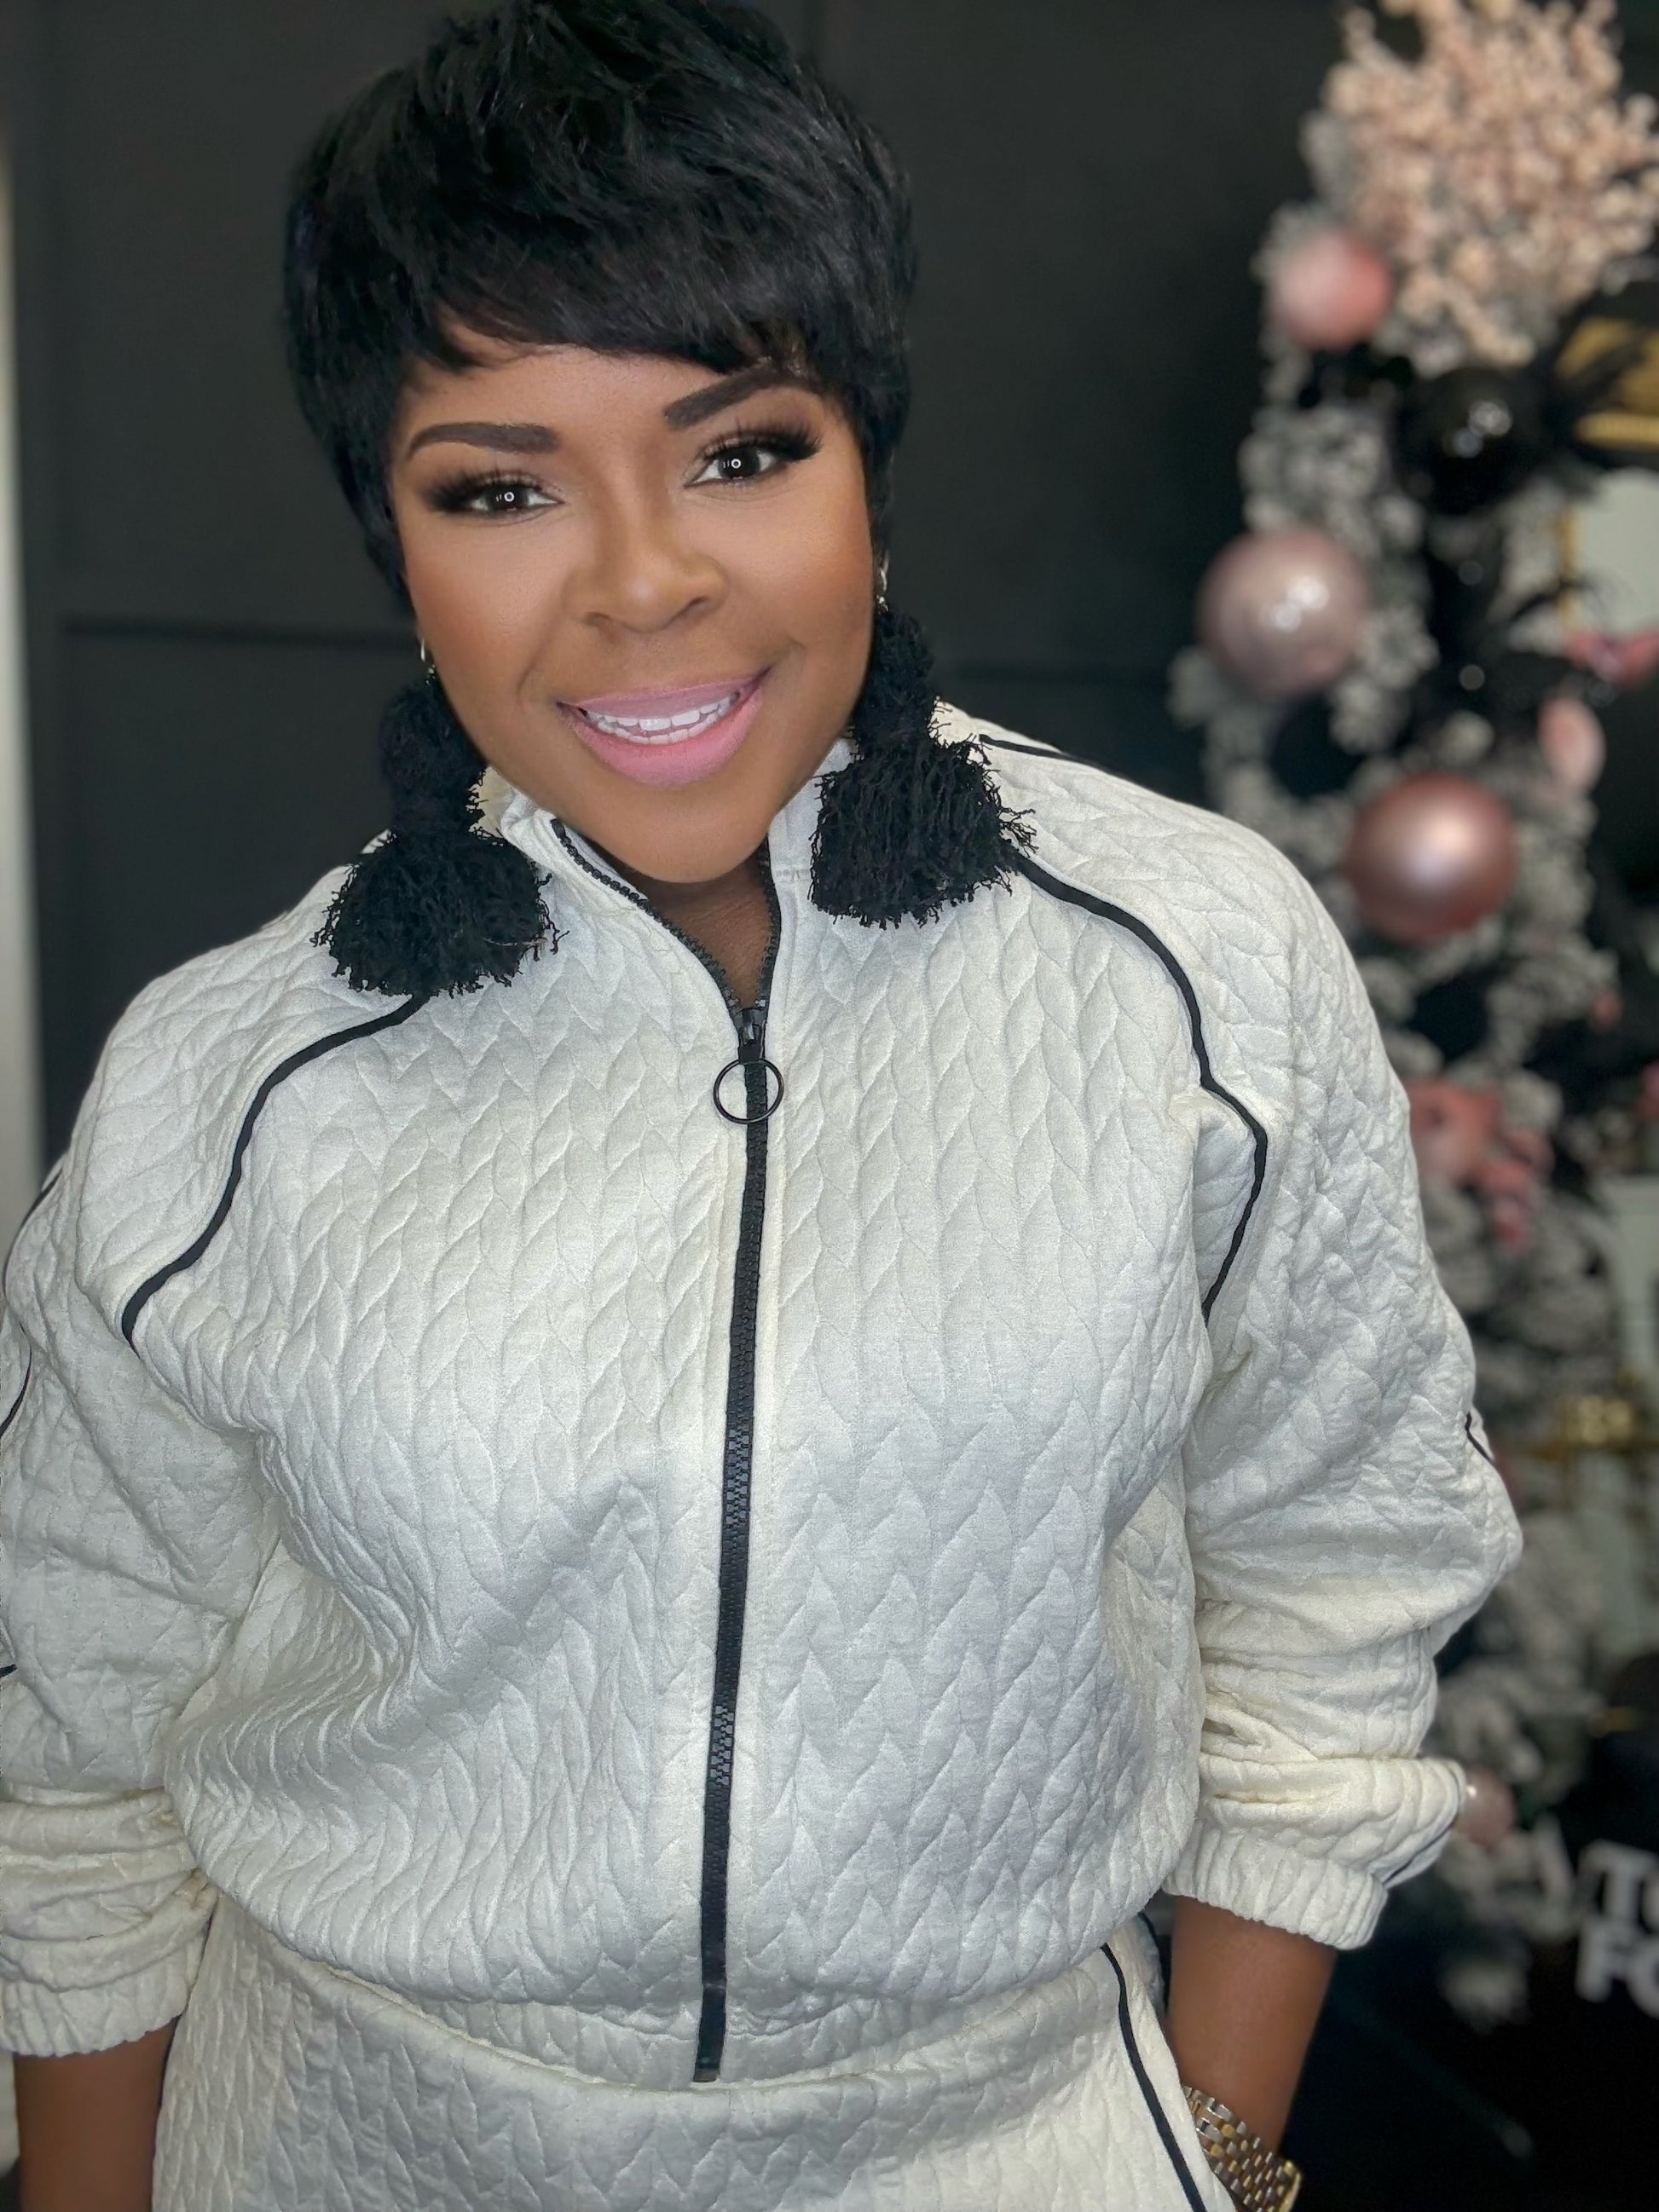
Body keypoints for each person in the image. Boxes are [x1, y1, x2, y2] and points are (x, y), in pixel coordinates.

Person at [0, 4, 1521, 2208]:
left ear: (866, 467)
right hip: (345, 2144)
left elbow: (1336, 1580)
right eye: (501, 487)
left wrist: (1207, 2150)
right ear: (395, 547)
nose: (642, 579)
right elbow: (68, 1759)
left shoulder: (1195, 966)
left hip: (1012, 2145)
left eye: (738, 451)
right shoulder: (224, 1079)